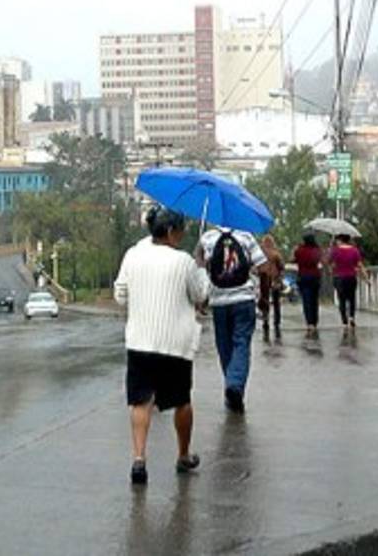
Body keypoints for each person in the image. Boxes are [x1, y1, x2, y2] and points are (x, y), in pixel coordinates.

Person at [114, 206, 211, 485]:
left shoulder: (133, 255)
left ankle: (139, 459)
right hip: (175, 344)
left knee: (141, 402)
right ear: (170, 231)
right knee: (181, 401)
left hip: (140, 341)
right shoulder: (184, 262)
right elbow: (201, 294)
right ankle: (183, 454)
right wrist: (201, 266)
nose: (182, 235)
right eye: (180, 230)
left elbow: (120, 295)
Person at [194, 224, 269, 414]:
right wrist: (264, 298)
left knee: (224, 347)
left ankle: (231, 385)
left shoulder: (208, 238)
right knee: (241, 344)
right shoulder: (246, 236)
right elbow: (264, 268)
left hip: (218, 302)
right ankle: (234, 387)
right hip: (243, 300)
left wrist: (203, 294)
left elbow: (199, 264)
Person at [328, 233, 366, 337]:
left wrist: (331, 248)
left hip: (339, 278)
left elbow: (329, 263)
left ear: (340, 240)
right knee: (352, 298)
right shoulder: (354, 250)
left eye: (337, 240)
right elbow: (359, 265)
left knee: (342, 300)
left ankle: (344, 322)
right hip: (351, 277)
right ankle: (352, 317)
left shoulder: (335, 250)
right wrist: (366, 278)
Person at [292, 233, 324, 338]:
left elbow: (293, 259)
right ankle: (315, 321)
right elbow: (320, 260)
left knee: (306, 300)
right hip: (315, 276)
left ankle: (309, 323)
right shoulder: (317, 250)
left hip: (303, 277)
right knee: (315, 300)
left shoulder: (299, 250)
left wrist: (296, 249)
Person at [257, 234, 285, 341]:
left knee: (265, 300)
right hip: (275, 280)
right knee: (276, 302)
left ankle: (265, 320)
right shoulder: (275, 253)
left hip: (264, 279)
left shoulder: (260, 254)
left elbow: (256, 266)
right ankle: (277, 322)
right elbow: (281, 266)